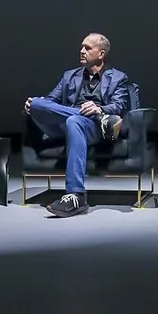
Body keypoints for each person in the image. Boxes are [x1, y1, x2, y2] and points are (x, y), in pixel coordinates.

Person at [24, 33, 131, 218]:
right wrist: (37, 105)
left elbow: (120, 105)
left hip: (91, 128)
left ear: (101, 54)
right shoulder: (69, 76)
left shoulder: (118, 78)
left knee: (75, 121)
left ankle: (76, 196)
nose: (82, 51)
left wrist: (99, 108)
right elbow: (51, 102)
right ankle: (103, 120)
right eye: (82, 47)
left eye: (88, 48)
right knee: (36, 104)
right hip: (65, 124)